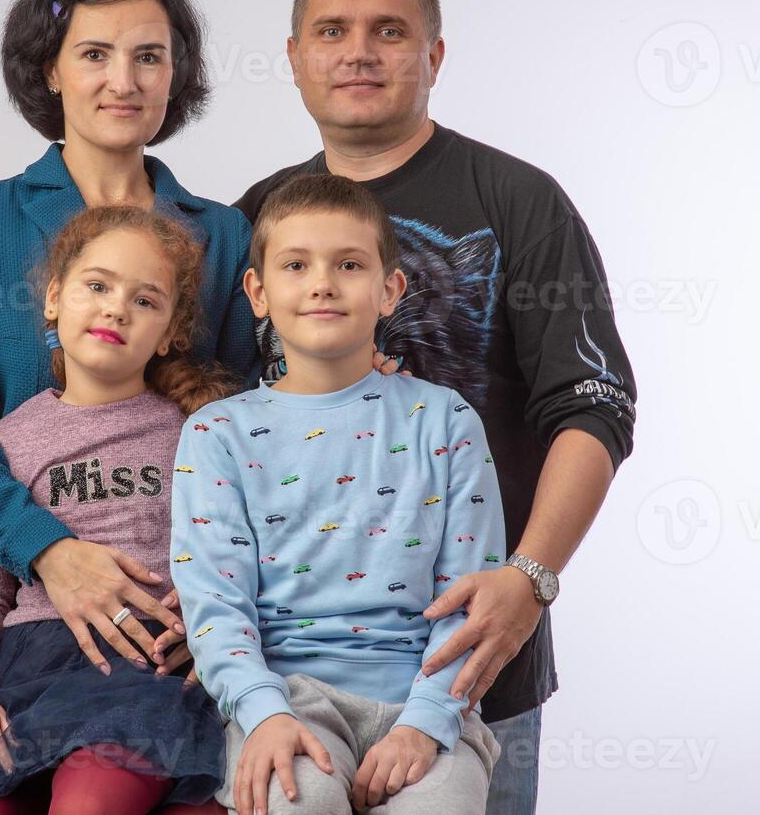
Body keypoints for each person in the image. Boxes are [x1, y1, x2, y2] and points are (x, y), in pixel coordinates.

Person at [232, 0, 639, 815]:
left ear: (434, 57)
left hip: (476, 658)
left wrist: (528, 578)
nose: (359, 52)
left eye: (389, 30)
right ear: (295, 56)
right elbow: (207, 429)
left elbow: (594, 407)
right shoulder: (253, 218)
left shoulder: (517, 200)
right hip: (291, 683)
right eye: (331, 31)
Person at [0, 0, 262, 751]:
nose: (122, 80)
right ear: (50, 72)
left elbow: (240, 440)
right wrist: (45, 550)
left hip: (163, 621)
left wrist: (217, 610)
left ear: (175, 77)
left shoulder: (225, 235)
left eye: (148, 57)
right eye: (94, 54)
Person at [0, 206, 238, 815]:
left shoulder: (196, 434)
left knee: (90, 801)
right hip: (26, 680)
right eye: (98, 286)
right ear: (54, 299)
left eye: (145, 301)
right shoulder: (13, 438)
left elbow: (235, 556)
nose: (117, 308)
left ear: (171, 332)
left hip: (141, 683)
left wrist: (210, 630)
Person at [167, 173, 507, 815]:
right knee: (299, 804)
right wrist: (261, 712)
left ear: (389, 290)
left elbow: (473, 594)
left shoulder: (446, 421)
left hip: (425, 702)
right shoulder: (217, 433)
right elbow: (214, 603)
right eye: (297, 265)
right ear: (258, 293)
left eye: (348, 264)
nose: (322, 282)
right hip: (284, 701)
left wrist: (427, 721)